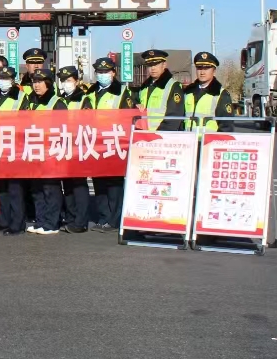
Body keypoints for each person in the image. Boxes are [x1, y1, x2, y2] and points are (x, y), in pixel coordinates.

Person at [84, 57, 136, 231]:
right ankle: (103, 216)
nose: (102, 75)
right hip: (95, 143)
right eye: (99, 72)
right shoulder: (90, 92)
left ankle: (114, 219)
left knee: (114, 184)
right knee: (98, 182)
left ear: (113, 73)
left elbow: (128, 117)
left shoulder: (122, 92)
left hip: (114, 143)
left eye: (106, 71)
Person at [25, 69, 67, 235]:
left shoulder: (57, 103)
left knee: (51, 188)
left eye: (40, 82)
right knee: (36, 189)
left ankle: (52, 223)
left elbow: (64, 128)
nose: (36, 85)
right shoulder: (32, 102)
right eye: (34, 82)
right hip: (35, 150)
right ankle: (41, 221)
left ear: (48, 83)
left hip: (51, 151)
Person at [56, 66, 92, 234]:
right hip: (62, 146)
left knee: (79, 185)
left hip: (78, 146)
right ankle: (70, 217)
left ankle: (81, 221)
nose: (66, 83)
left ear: (76, 81)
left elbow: (88, 122)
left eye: (69, 80)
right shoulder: (60, 99)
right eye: (63, 81)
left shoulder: (84, 99)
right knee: (67, 185)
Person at [0, 67, 27, 235]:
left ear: (13, 80)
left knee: (14, 188)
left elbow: (26, 121)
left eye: (7, 78)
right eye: (0, 78)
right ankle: (4, 220)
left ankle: (17, 223)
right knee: (0, 188)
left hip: (14, 146)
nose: (3, 81)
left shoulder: (21, 97)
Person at [184, 52, 236, 132]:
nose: (202, 72)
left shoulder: (221, 94)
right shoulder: (188, 92)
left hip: (209, 140)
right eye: (199, 68)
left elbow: (226, 126)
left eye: (206, 68)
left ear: (214, 71)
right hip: (187, 139)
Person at [136, 49, 185, 131]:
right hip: (143, 135)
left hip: (162, 136)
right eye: (150, 65)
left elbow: (173, 118)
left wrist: (158, 135)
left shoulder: (173, 86)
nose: (153, 68)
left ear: (164, 64)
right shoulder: (144, 87)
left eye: (156, 64)